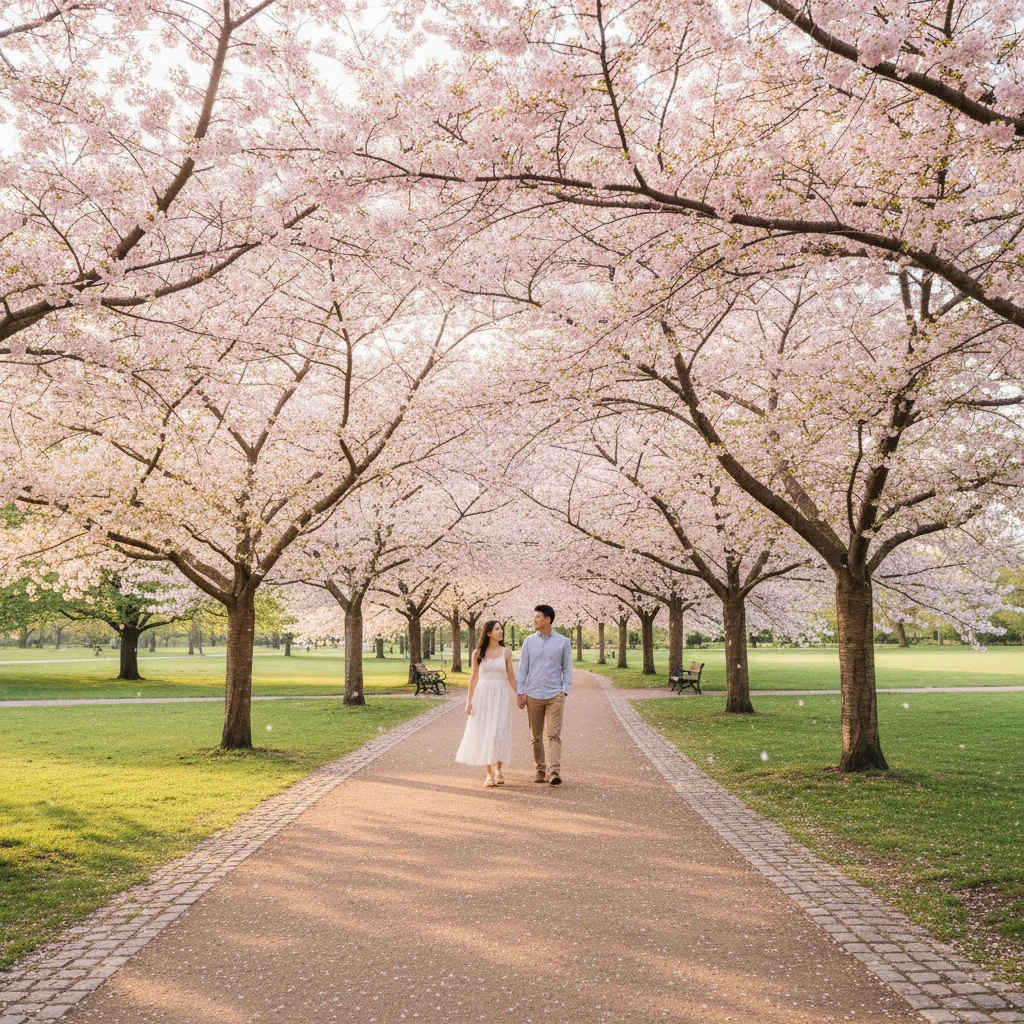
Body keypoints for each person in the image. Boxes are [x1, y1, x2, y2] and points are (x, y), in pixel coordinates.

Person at [455, 620, 518, 787]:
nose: (501, 631)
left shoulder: (507, 652)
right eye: (497, 629)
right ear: (489, 633)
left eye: (501, 629)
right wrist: (469, 702)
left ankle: (499, 769)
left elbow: (511, 677)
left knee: (499, 731)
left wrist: (520, 694)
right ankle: (489, 773)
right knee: (485, 732)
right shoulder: (477, 653)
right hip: (483, 695)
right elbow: (474, 678)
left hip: (500, 694)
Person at [516, 604, 572, 785]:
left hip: (555, 693)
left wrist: (564, 690)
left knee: (554, 734)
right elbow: (523, 668)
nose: (534, 620)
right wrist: (520, 692)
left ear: (548, 619)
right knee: (536, 736)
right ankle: (540, 770)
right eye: (534, 617)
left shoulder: (563, 642)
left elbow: (568, 669)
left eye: (537, 617)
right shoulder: (529, 641)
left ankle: (554, 772)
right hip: (533, 694)